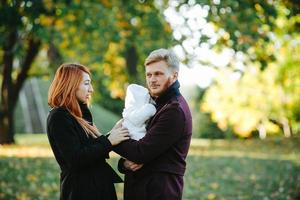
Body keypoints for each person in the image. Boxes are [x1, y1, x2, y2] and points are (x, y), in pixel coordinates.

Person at [114, 48, 193, 200]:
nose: (152, 79)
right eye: (149, 74)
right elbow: (143, 145)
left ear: (174, 76)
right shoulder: (156, 104)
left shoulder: (174, 110)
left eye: (158, 74)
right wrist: (124, 164)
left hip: (160, 192)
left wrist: (112, 140)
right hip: (144, 189)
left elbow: (141, 152)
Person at [47, 63, 129, 200]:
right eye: (86, 84)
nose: (91, 89)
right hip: (81, 191)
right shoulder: (59, 117)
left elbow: (90, 147)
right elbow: (75, 158)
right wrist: (109, 141)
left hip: (99, 187)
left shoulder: (80, 113)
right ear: (70, 85)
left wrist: (112, 135)